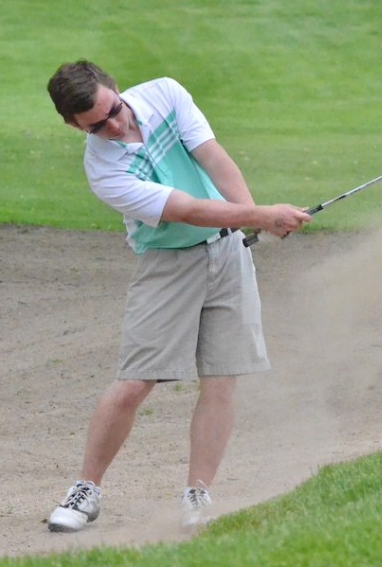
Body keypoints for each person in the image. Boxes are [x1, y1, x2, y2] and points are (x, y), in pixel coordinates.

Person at [44, 60, 311, 532]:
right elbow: (184, 209)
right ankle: (86, 490)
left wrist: (250, 218)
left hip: (227, 252)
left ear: (116, 88)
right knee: (134, 381)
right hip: (169, 266)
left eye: (113, 110)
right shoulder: (105, 170)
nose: (114, 125)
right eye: (96, 126)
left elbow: (213, 157)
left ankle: (197, 493)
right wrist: (258, 215)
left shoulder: (166, 94)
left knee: (222, 377)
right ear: (73, 126)